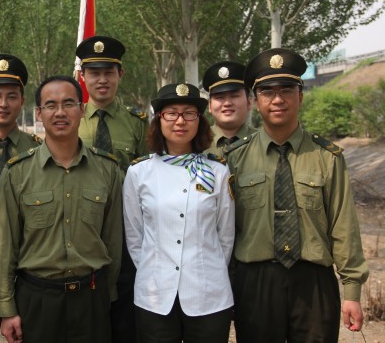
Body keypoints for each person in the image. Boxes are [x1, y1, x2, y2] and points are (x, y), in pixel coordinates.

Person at [225, 48, 369, 342]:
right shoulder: (235, 158)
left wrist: (352, 291)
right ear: (256, 102)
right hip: (255, 282)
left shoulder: (326, 157)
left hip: (313, 282)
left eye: (287, 90)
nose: (277, 99)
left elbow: (344, 226)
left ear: (300, 96)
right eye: (267, 92)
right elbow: (225, 229)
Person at [0, 76, 123, 343]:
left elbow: (113, 241)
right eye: (51, 105)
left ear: (82, 109)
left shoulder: (107, 170)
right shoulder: (17, 173)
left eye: (68, 104)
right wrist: (6, 308)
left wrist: (106, 296)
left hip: (91, 298)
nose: (60, 112)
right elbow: (5, 246)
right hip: (37, 300)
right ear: (38, 113)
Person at [123, 83, 235, 343]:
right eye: (171, 113)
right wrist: (156, 270)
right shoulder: (139, 173)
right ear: (159, 120)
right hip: (155, 295)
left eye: (189, 113)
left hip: (208, 294)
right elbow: (134, 236)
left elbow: (225, 235)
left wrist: (205, 270)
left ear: (200, 121)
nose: (180, 121)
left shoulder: (217, 171)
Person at [76, 35, 147, 343]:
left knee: (125, 316)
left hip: (126, 231)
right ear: (82, 76)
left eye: (109, 72)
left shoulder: (138, 124)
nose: (102, 80)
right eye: (94, 73)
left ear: (121, 74)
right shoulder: (71, 119)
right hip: (83, 229)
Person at [202, 60, 256, 156]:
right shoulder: (197, 143)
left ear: (249, 102)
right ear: (210, 105)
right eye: (220, 97)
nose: (227, 103)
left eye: (234, 96)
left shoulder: (264, 142)